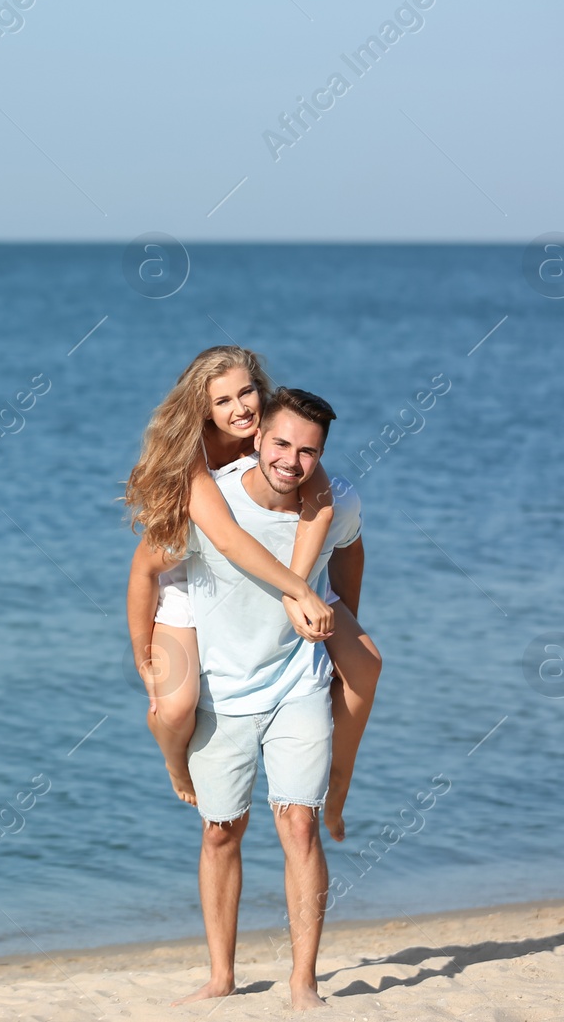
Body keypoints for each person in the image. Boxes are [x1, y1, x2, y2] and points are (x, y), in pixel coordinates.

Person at [124, 347, 380, 841]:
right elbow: (223, 541)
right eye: (223, 401)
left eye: (247, 392)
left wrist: (321, 602)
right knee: (174, 708)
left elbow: (324, 512)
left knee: (365, 663)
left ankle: (337, 791)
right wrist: (141, 651)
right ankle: (178, 766)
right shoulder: (193, 456)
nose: (240, 408)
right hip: (194, 578)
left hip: (280, 580)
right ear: (203, 409)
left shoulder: (280, 441)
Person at [173, 387, 362, 1008]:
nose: (291, 461)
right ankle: (221, 976)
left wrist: (343, 616)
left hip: (296, 685)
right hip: (221, 691)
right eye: (281, 443)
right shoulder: (212, 500)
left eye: (309, 451)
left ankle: (303, 980)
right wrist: (154, 659)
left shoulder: (334, 502)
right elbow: (151, 569)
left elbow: (351, 547)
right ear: (256, 439)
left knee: (299, 827)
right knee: (221, 831)